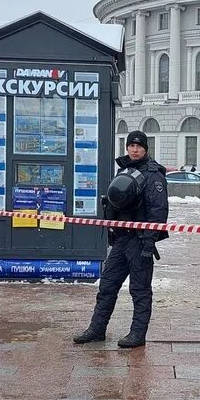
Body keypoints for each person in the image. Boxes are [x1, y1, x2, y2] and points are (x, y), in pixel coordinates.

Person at [73, 130, 168, 349]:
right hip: (121, 240)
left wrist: (149, 243)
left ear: (145, 148)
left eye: (139, 146)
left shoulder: (153, 174)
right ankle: (97, 329)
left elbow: (158, 211)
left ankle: (137, 333)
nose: (134, 149)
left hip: (140, 240)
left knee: (140, 290)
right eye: (131, 146)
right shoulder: (124, 170)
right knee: (107, 285)